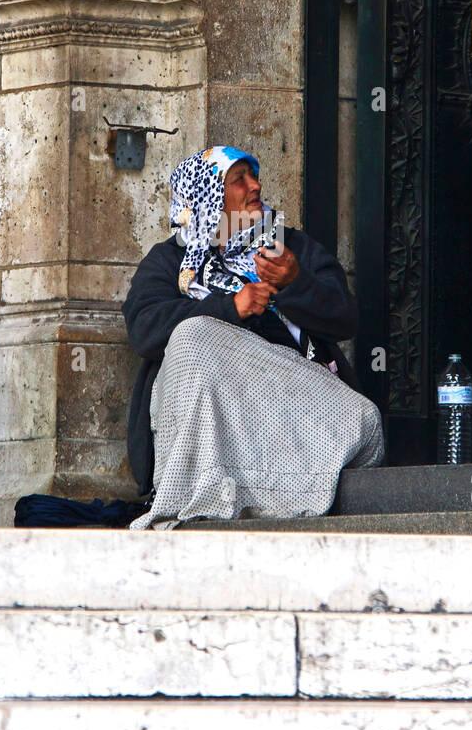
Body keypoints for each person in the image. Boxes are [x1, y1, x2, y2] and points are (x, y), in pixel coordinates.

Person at [122, 145, 384, 528]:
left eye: (254, 175)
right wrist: (231, 307)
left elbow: (346, 319)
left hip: (296, 398)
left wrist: (297, 283)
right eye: (238, 180)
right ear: (207, 195)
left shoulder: (290, 247)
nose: (255, 185)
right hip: (218, 404)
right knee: (193, 335)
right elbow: (145, 329)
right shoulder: (169, 261)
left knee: (363, 419)